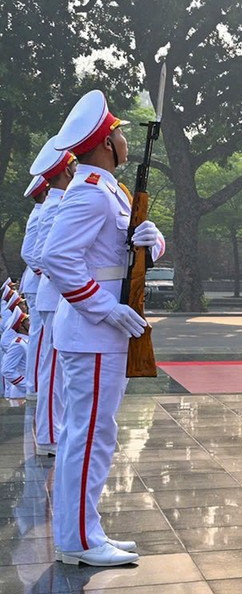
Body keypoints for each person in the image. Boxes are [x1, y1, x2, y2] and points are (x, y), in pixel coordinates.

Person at [38, 90, 165, 566]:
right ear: (106, 143)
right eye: (119, 133)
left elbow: (120, 253)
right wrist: (104, 310)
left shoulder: (109, 188)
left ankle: (85, 529)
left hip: (104, 332)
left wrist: (152, 243)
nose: (124, 140)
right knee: (88, 435)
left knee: (93, 433)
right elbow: (56, 257)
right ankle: (79, 540)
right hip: (93, 332)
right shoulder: (90, 192)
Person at [19, 145, 73, 457]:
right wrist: (59, 273)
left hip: (52, 293)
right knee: (52, 367)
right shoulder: (54, 206)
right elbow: (36, 253)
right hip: (53, 294)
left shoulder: (56, 203)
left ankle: (54, 429)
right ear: (67, 170)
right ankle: (50, 436)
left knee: (54, 365)